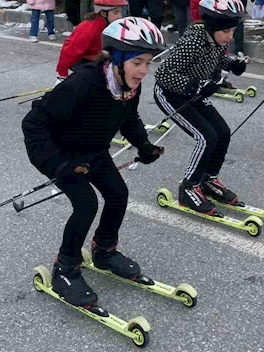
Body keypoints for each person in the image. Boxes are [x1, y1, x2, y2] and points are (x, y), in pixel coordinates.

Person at [22, 16, 166, 306]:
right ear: (119, 59)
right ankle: (65, 268)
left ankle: (104, 251)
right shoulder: (83, 83)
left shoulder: (127, 86)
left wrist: (144, 144)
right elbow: (33, 123)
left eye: (148, 63)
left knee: (118, 194)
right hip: (60, 152)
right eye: (138, 62)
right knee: (86, 203)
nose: (144, 71)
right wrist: (58, 164)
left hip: (93, 150)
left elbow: (128, 117)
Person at [154, 0, 247, 215]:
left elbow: (215, 57)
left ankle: (208, 180)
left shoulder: (214, 39)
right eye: (226, 31)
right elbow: (162, 73)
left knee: (223, 132)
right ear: (212, 25)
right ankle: (188, 187)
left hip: (193, 94)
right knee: (206, 136)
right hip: (171, 94)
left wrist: (233, 63)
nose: (230, 37)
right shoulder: (193, 40)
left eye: (233, 31)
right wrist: (195, 86)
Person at [56, 0, 129, 81]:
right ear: (103, 13)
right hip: (81, 60)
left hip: (96, 56)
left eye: (120, 12)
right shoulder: (89, 29)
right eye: (115, 12)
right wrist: (62, 75)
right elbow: (69, 52)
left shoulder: (110, 25)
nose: (120, 16)